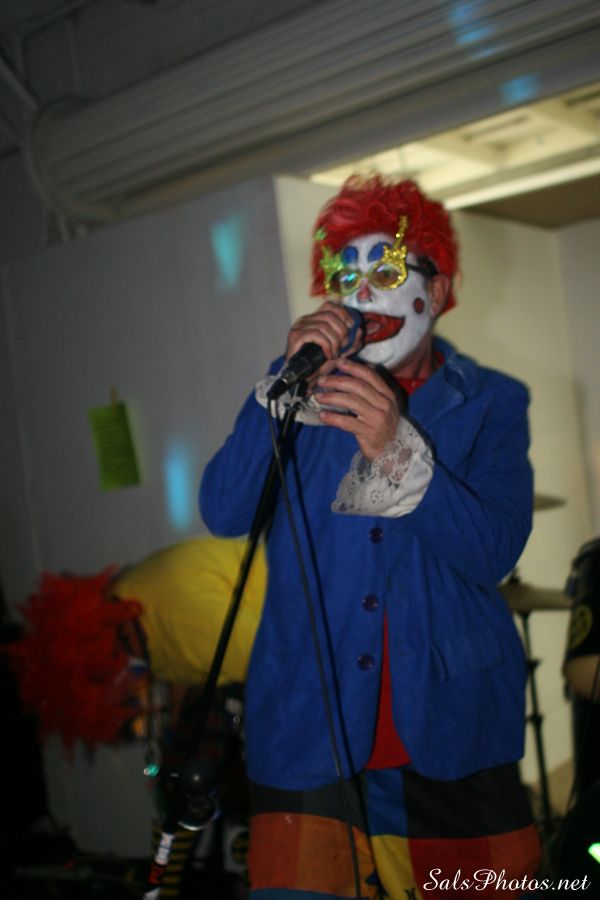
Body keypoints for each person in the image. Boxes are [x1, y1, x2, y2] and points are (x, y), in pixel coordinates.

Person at [199, 176, 541, 898]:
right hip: (308, 730)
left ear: (437, 290)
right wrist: (282, 384)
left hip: (451, 730)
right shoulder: (302, 391)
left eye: (386, 272)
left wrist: (396, 450)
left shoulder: (493, 403)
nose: (361, 293)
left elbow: (493, 551)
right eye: (343, 275)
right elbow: (224, 510)